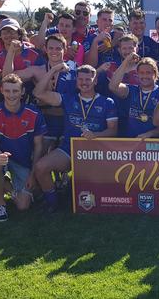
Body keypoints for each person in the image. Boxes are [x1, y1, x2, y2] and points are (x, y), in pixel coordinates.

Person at [32, 64, 118, 212]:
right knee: (40, 167)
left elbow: (113, 131)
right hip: (69, 149)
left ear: (95, 81)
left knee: (88, 195)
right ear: (76, 81)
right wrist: (53, 70)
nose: (84, 83)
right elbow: (38, 93)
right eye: (81, 79)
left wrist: (95, 135)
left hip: (95, 152)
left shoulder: (107, 102)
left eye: (88, 79)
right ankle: (52, 202)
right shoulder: (67, 99)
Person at [0, 74, 47, 220]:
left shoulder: (34, 113)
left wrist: (32, 174)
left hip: (23, 161)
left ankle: (3, 184)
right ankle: (1, 205)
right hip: (1, 157)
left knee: (23, 205)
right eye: (7, 91)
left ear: (22, 91)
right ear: (1, 91)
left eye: (15, 91)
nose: (11, 95)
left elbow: (39, 147)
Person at [3, 34, 76, 150]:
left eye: (58, 48)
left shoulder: (74, 70)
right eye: (51, 48)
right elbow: (7, 78)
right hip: (45, 119)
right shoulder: (37, 70)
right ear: (45, 50)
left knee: (65, 162)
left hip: (66, 120)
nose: (54, 52)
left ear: (65, 50)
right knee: (41, 158)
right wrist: (11, 52)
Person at [109, 55, 159, 138]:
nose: (144, 76)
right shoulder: (131, 90)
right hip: (132, 142)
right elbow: (113, 86)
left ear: (155, 74)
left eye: (148, 73)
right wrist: (126, 61)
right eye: (141, 73)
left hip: (153, 145)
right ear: (137, 74)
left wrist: (150, 134)